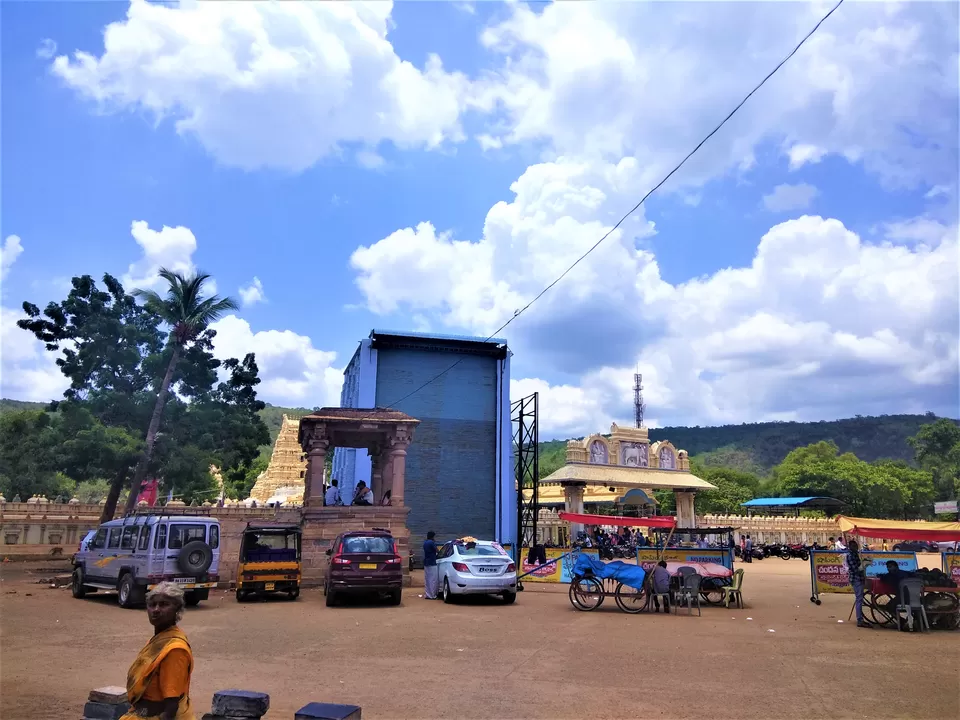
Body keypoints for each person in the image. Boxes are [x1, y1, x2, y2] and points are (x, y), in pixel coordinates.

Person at [120, 582, 194, 720]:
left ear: (177, 609)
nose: (156, 609)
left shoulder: (175, 650)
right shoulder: (158, 640)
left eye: (164, 604)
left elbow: (171, 707)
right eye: (152, 605)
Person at [845, 539, 870, 629]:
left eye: (856, 546)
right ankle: (860, 620)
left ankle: (860, 618)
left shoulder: (855, 554)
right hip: (856, 579)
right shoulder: (850, 555)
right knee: (859, 599)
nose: (856, 547)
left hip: (859, 578)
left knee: (859, 598)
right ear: (850, 547)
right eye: (854, 546)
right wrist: (864, 566)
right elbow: (856, 570)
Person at [423, 531, 440, 599]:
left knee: (427, 579)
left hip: (426, 562)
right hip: (432, 562)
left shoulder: (425, 543)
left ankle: (428, 594)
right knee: (433, 579)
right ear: (432, 536)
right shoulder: (431, 542)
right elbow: (437, 551)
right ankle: (432, 595)